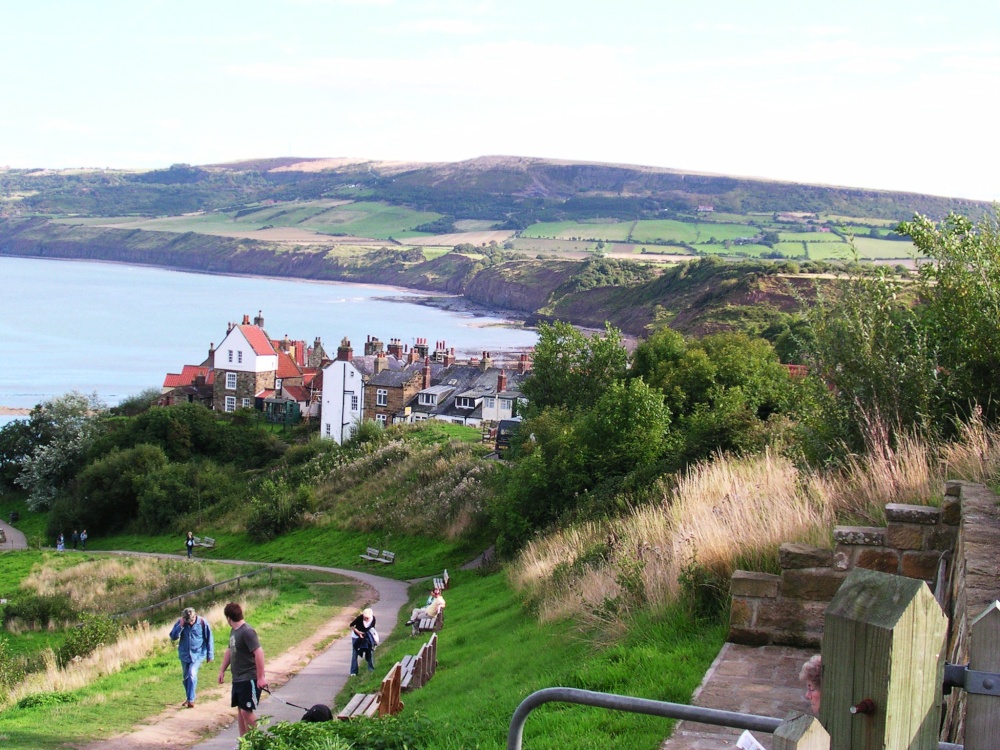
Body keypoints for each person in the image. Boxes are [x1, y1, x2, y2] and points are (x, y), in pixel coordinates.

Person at [218, 602, 268, 737]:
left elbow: (259, 653)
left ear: (228, 618)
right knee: (240, 711)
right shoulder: (234, 631)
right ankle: (243, 743)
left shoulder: (247, 632)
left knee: (246, 711)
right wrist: (222, 669)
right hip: (238, 678)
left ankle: (257, 741)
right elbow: (230, 650)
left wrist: (261, 677)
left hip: (249, 678)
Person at [169, 606, 214, 708]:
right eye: (188, 620)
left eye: (192, 620)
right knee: (186, 678)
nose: (190, 622)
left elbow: (209, 638)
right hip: (184, 654)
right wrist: (180, 626)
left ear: (195, 616)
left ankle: (191, 700)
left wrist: (210, 654)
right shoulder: (181, 623)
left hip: (198, 654)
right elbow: (173, 636)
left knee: (192, 673)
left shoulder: (203, 622)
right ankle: (189, 697)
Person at [349, 607, 377, 676]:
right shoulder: (360, 618)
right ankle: (353, 672)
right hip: (356, 637)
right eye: (365, 617)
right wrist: (358, 633)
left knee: (370, 652)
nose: (366, 619)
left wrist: (373, 639)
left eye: (368, 618)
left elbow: (372, 629)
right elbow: (351, 626)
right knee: (355, 654)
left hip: (366, 637)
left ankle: (371, 669)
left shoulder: (373, 619)